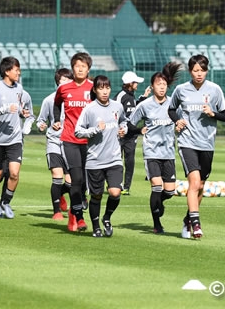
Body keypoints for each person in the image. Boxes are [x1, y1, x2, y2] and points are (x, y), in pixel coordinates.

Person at [168, 54, 225, 239]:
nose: (199, 74)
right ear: (190, 71)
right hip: (187, 142)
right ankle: (196, 223)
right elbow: (171, 109)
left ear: (207, 71)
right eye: (195, 70)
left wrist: (213, 113)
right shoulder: (181, 89)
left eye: (202, 70)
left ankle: (188, 219)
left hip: (207, 143)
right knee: (193, 182)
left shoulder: (215, 90)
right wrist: (178, 120)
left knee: (201, 185)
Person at [128, 62, 182, 234]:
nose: (161, 87)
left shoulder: (173, 104)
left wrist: (180, 125)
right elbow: (129, 123)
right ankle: (156, 223)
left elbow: (181, 120)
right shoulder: (144, 105)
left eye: (164, 84)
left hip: (168, 153)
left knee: (169, 191)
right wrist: (139, 130)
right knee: (156, 187)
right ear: (152, 86)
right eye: (158, 84)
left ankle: (160, 203)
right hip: (151, 152)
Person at [75, 75, 128, 237]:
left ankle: (107, 217)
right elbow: (78, 132)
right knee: (96, 196)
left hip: (114, 159)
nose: (104, 92)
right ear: (95, 90)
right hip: (95, 161)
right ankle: (96, 226)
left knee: (115, 192)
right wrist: (95, 130)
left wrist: (123, 129)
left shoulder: (117, 107)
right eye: (101, 88)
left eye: (107, 88)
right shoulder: (89, 109)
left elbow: (124, 122)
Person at [0, 56, 30, 220]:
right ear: (7, 71)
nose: (19, 72)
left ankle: (6, 203)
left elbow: (19, 108)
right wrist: (4, 109)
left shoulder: (19, 89)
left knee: (14, 174)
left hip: (15, 139)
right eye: (16, 70)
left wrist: (23, 113)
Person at [53, 52, 94, 232]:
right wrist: (56, 119)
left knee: (86, 181)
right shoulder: (64, 88)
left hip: (90, 141)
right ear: (73, 68)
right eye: (77, 66)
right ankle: (79, 217)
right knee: (76, 178)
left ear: (88, 69)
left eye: (83, 66)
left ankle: (73, 212)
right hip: (69, 139)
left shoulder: (94, 88)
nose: (80, 69)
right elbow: (56, 104)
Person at [36, 67, 72, 220]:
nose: (66, 83)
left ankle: (61, 193)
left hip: (71, 142)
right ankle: (56, 211)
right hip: (54, 141)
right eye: (63, 80)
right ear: (58, 82)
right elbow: (40, 121)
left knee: (71, 181)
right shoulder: (49, 100)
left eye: (69, 80)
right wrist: (42, 126)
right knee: (57, 176)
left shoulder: (75, 99)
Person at [115, 71, 151, 195]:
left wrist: (144, 96)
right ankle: (116, 185)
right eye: (135, 82)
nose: (137, 84)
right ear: (130, 83)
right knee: (117, 160)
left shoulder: (132, 96)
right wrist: (117, 129)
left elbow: (135, 109)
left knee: (129, 161)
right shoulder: (121, 96)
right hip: (120, 135)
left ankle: (126, 187)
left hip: (131, 136)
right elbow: (114, 113)